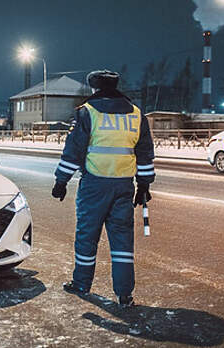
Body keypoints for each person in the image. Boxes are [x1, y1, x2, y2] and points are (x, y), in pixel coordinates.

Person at [51, 70, 155, 307]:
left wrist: (61, 181)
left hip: (94, 186)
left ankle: (82, 284)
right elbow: (145, 152)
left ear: (94, 88)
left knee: (87, 237)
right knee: (122, 241)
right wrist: (144, 185)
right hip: (124, 186)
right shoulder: (137, 114)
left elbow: (74, 150)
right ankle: (125, 294)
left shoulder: (88, 112)